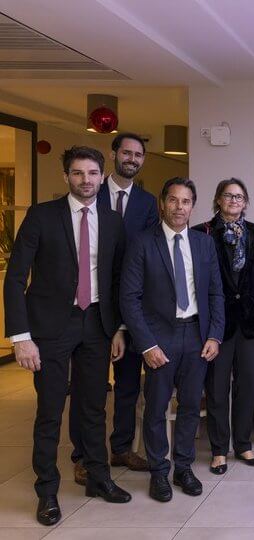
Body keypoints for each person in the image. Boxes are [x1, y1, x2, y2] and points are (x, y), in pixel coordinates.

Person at [4, 146, 130, 526]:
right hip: (50, 328)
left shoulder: (112, 221)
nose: (86, 180)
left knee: (93, 408)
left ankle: (98, 478)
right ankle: (47, 491)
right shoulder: (42, 216)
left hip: (96, 324)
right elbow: (14, 278)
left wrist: (119, 328)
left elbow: (116, 279)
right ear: (66, 177)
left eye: (92, 173)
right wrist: (21, 337)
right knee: (49, 411)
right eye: (78, 173)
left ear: (101, 176)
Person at [120, 177, 224, 503]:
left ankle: (183, 468)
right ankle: (158, 472)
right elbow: (129, 298)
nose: (180, 207)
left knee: (191, 406)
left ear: (193, 205)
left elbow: (215, 293)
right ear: (163, 203)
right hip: (159, 339)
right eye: (174, 200)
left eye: (186, 201)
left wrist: (214, 335)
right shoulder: (142, 242)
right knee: (156, 408)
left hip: (196, 335)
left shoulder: (204, 243)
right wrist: (147, 344)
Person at [69, 132, 159, 485]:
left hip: (129, 306)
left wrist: (127, 321)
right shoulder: (91, 191)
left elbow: (147, 256)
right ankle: (83, 455)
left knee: (126, 384)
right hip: (89, 307)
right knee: (86, 386)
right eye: (127, 152)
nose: (132, 159)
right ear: (113, 155)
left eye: (138, 155)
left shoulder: (148, 203)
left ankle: (120, 446)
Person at [193, 178, 254, 474]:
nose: (234, 201)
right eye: (228, 195)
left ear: (246, 202)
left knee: (248, 385)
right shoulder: (202, 232)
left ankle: (242, 444)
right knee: (216, 388)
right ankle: (218, 449)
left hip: (251, 322)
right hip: (217, 324)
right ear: (218, 199)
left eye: (239, 197)